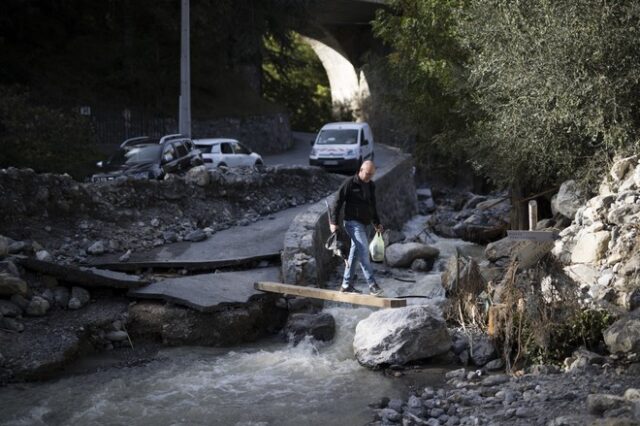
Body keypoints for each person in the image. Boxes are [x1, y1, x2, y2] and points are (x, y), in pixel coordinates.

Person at [329, 160, 384, 296]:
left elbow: (373, 205)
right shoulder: (349, 183)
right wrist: (333, 222)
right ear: (360, 170)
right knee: (364, 251)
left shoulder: (371, 185)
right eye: (367, 174)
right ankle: (372, 285)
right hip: (352, 223)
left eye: (371, 174)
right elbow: (337, 202)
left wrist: (377, 223)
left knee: (355, 254)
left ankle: (346, 285)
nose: (369, 177)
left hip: (366, 224)